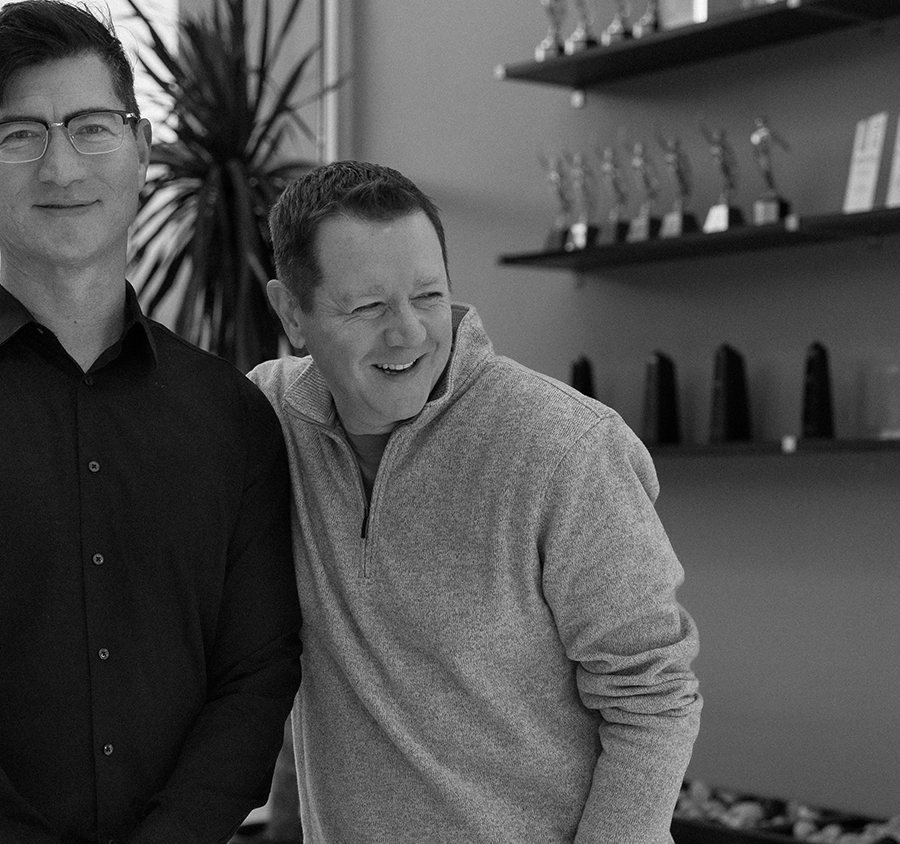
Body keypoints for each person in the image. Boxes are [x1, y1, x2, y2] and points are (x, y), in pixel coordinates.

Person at [0, 3, 300, 843]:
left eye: (91, 127)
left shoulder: (232, 415)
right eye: (21, 133)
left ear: (142, 149)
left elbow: (255, 675)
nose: (63, 166)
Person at [249, 160, 702, 843]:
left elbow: (653, 698)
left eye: (428, 296)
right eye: (367, 307)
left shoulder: (565, 448)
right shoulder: (268, 418)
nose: (408, 333)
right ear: (291, 311)